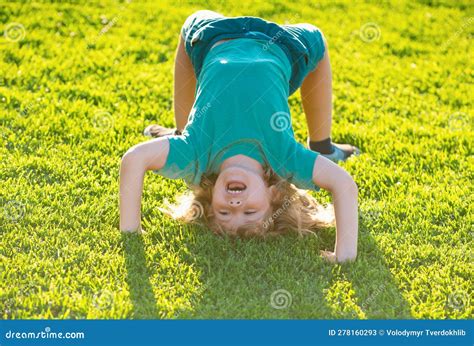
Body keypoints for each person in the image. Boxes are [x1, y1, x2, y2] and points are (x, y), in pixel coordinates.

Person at [120, 10, 359, 263]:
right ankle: (322, 146)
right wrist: (344, 254)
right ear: (274, 196)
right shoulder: (284, 160)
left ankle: (180, 131)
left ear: (210, 200)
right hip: (283, 46)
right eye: (250, 211)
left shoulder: (195, 155)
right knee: (317, 41)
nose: (236, 206)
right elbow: (343, 184)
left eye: (223, 212)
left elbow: (134, 159)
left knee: (190, 29)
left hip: (215, 37)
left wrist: (131, 230)